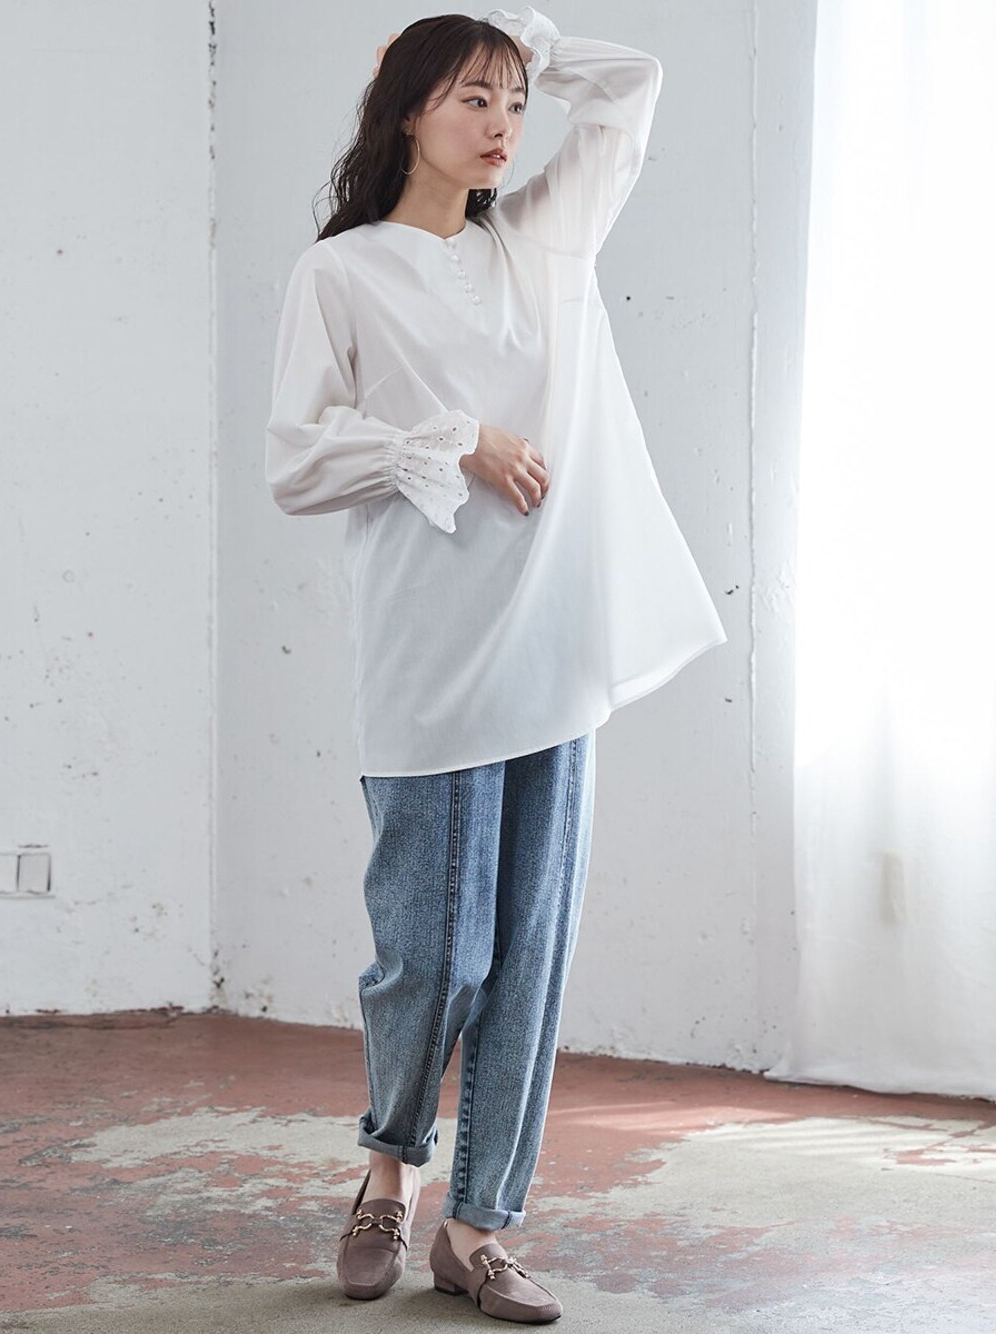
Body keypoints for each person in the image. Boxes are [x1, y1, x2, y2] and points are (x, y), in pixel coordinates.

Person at [264, 4, 727, 1322]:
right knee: (432, 956)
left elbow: (634, 86)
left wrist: (520, 41)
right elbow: (295, 460)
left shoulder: (541, 242)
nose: (505, 126)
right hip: (426, 658)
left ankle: (478, 1229)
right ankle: (388, 1173)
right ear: (407, 109)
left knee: (529, 955)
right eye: (473, 98)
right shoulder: (341, 274)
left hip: (552, 652)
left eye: (515, 104)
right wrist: (450, 438)